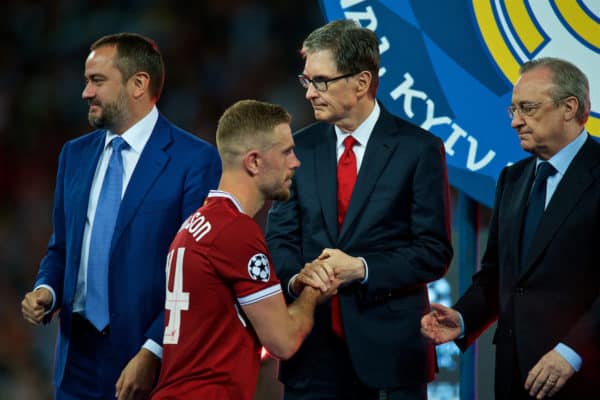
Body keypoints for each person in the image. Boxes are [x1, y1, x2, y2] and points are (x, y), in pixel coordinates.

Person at [20, 33, 221, 400]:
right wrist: (46, 289)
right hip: (75, 359)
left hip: (146, 360)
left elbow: (197, 272)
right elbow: (62, 247)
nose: (85, 92)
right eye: (86, 80)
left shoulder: (194, 160)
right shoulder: (74, 155)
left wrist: (154, 349)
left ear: (138, 84)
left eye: (97, 81)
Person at [265, 19, 453, 400]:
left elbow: (433, 252)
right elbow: (280, 238)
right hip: (312, 355)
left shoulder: (418, 150)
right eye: (306, 81)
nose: (310, 94)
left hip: (391, 359)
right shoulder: (297, 147)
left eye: (321, 81)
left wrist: (361, 268)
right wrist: (299, 278)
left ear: (362, 82)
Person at [421, 58, 600, 399]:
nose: (516, 122)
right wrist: (461, 318)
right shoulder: (513, 179)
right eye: (513, 110)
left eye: (528, 108)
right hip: (513, 376)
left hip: (584, 377)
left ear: (569, 107)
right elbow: (496, 277)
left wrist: (572, 352)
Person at [149, 99, 337, 400]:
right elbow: (284, 341)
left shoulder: (196, 225)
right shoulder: (236, 232)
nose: (295, 162)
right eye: (286, 152)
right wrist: (313, 290)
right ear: (254, 162)